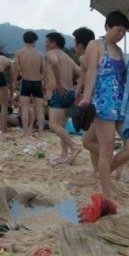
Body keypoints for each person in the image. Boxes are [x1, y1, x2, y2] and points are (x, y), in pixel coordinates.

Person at [80, 10, 129, 201]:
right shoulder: (96, 45)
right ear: (108, 27)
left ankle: (103, 175)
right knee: (106, 149)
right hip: (103, 103)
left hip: (120, 105)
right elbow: (91, 73)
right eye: (119, 30)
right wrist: (86, 98)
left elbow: (121, 78)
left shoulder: (120, 51)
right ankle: (106, 194)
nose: (121, 35)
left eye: (124, 32)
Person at [45, 32, 82, 165]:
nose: (45, 44)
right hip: (71, 93)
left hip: (58, 93)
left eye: (47, 41)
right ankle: (64, 154)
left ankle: (74, 147)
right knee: (62, 126)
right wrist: (77, 89)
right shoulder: (67, 57)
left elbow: (54, 62)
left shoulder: (51, 53)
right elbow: (81, 71)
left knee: (53, 125)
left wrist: (59, 83)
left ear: (54, 43)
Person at [71, 27, 98, 173]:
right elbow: (84, 76)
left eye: (75, 42)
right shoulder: (99, 54)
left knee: (88, 141)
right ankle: (96, 170)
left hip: (93, 102)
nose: (74, 46)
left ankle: (112, 158)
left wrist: (79, 93)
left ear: (80, 44)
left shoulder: (84, 57)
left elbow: (85, 77)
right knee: (95, 140)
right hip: (98, 100)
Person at [12, 31, 46, 137]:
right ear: (35, 40)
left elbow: (16, 69)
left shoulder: (19, 53)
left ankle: (25, 131)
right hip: (37, 82)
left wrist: (14, 82)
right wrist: (45, 83)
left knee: (25, 109)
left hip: (25, 82)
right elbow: (44, 71)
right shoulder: (40, 54)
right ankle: (40, 133)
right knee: (40, 110)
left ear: (24, 40)